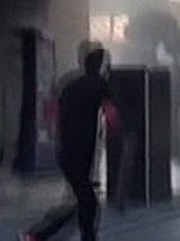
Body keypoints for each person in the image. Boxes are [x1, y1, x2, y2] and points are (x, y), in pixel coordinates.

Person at [19, 42, 119, 241]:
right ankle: (38, 234)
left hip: (66, 150)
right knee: (86, 200)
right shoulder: (100, 85)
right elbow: (111, 117)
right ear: (101, 66)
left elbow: (55, 116)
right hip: (81, 151)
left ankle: (50, 234)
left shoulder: (71, 85)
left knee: (82, 199)